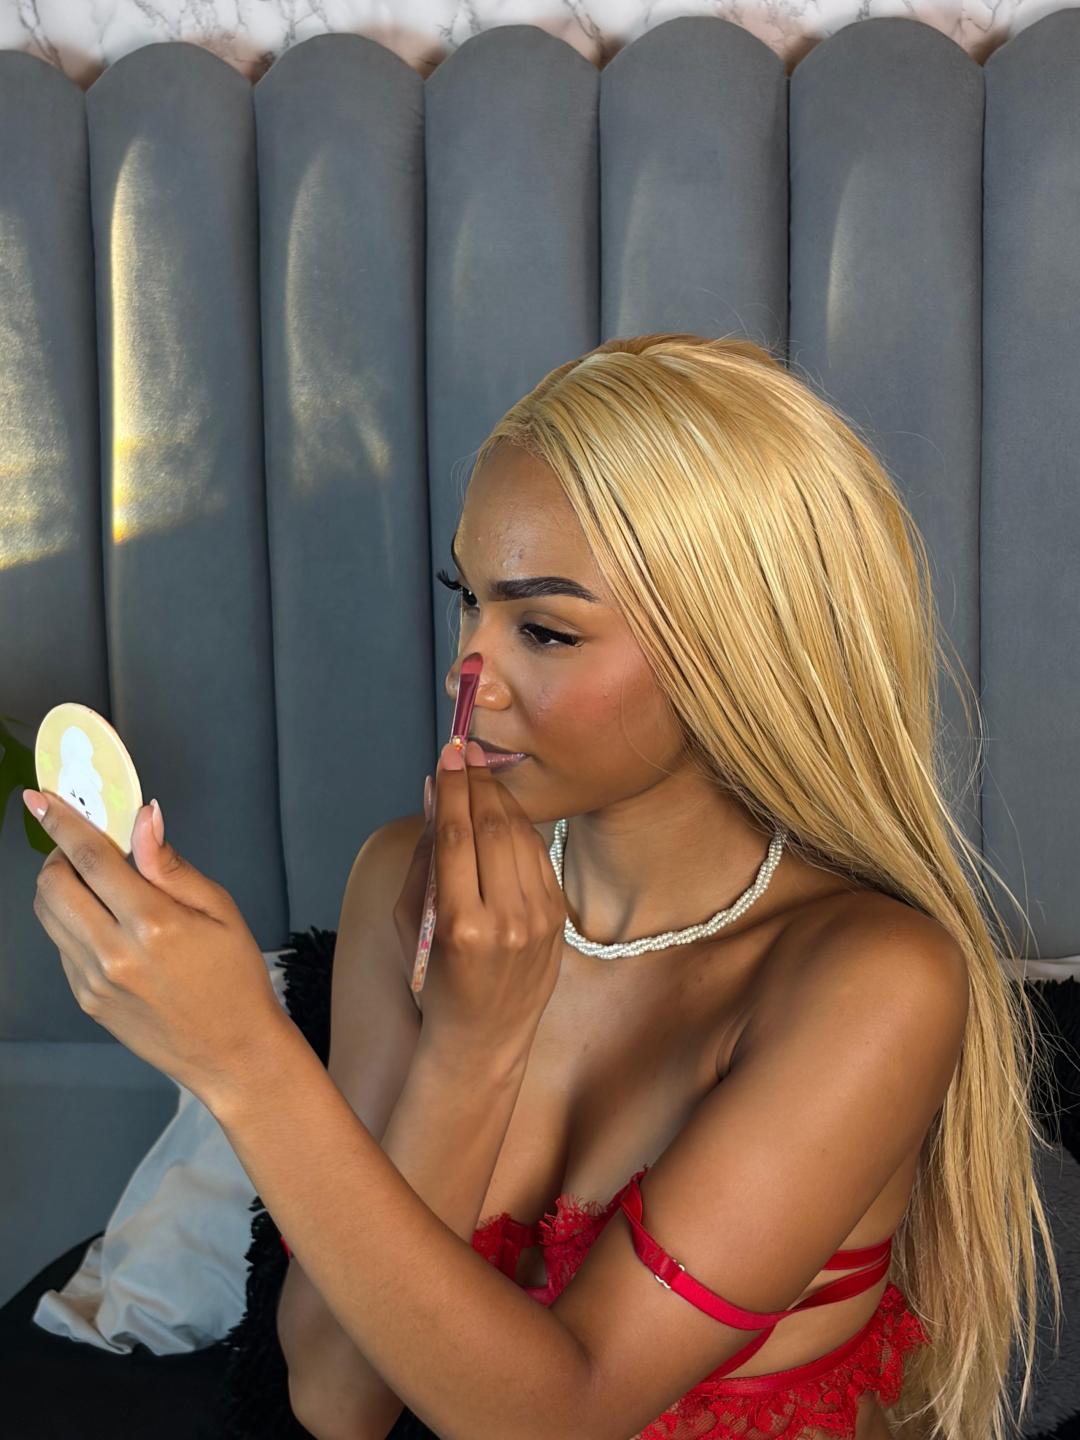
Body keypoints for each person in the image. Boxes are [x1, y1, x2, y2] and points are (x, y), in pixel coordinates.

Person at [277, 333, 1062, 1440]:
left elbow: (565, 1417)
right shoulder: (405, 887)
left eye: (544, 628)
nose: (468, 674)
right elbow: (335, 1399)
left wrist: (237, 1052)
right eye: (469, 599)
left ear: (732, 653)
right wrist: (464, 1047)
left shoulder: (875, 980)